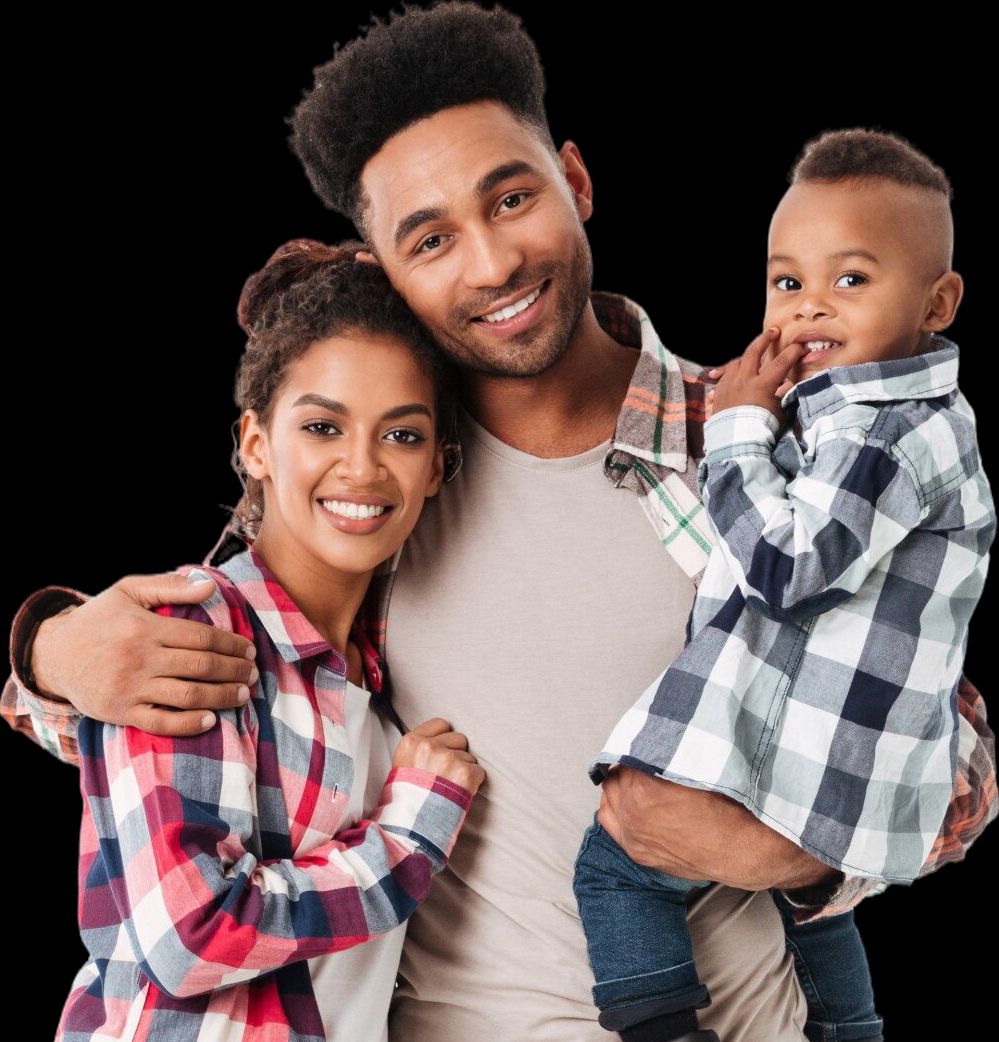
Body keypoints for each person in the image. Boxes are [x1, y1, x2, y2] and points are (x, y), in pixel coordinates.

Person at [3, 5, 996, 1040]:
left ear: (575, 180)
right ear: (387, 267)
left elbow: (951, 744)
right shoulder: (386, 482)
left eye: (512, 198)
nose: (490, 264)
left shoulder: (755, 441)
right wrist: (54, 648)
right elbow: (208, 675)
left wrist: (804, 851)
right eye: (431, 238)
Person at [573, 129, 995, 1042]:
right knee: (814, 910)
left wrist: (735, 430)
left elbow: (780, 572)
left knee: (612, 868)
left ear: (938, 301)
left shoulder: (879, 434)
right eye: (785, 282)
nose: (807, 309)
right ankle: (849, 1028)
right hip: (824, 764)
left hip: (813, 758)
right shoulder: (872, 423)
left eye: (849, 280)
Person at [55, 239, 484, 1041]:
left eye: (401, 435)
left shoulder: (388, 664)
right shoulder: (194, 632)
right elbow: (191, 935)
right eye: (323, 426)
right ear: (256, 444)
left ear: (437, 467)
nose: (361, 467)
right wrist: (411, 830)